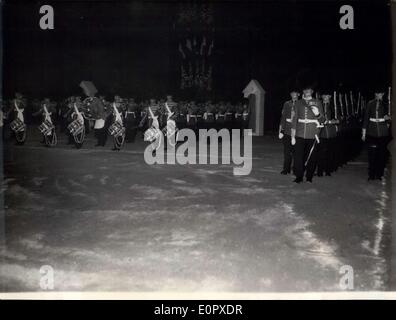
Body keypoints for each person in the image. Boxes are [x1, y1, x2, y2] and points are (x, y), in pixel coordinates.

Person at [291, 84, 324, 183]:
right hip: (300, 133)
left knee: (312, 157)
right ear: (303, 91)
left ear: (312, 91)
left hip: (312, 133)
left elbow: (322, 119)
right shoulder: (298, 103)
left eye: (309, 90)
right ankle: (299, 176)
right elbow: (294, 119)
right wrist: (293, 135)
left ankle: (309, 176)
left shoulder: (318, 102)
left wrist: (318, 114)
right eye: (305, 90)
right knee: (298, 156)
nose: (307, 91)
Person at [362, 89, 391, 180]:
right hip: (372, 132)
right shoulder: (370, 103)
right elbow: (366, 118)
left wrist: (388, 118)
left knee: (381, 155)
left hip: (383, 133)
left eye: (381, 93)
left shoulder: (387, 104)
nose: (379, 95)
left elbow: (390, 119)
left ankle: (379, 174)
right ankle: (371, 175)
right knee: (372, 154)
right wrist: (364, 133)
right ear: (375, 94)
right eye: (378, 93)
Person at [279, 90, 299, 175]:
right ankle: (286, 169)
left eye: (295, 93)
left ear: (298, 94)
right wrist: (281, 130)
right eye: (292, 93)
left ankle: (296, 169)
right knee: (287, 152)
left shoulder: (301, 103)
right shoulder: (286, 104)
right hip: (287, 131)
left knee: (296, 153)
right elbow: (283, 117)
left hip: (298, 131)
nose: (293, 95)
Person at [317, 93, 338, 176]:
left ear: (330, 96)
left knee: (329, 153)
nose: (325, 97)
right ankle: (320, 171)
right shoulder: (319, 106)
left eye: (327, 96)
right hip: (321, 133)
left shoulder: (334, 107)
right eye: (323, 95)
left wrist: (328, 121)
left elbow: (338, 120)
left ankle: (328, 171)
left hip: (331, 133)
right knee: (320, 153)